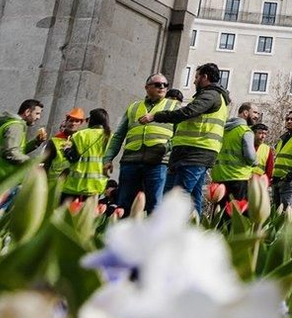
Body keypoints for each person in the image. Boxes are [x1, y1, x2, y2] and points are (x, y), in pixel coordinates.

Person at [144, 62, 230, 214]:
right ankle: (194, 227)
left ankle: (166, 230)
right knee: (193, 197)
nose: (194, 81)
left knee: (176, 196)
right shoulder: (213, 96)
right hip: (194, 152)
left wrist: (156, 116)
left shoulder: (210, 95)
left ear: (205, 77)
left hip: (194, 153)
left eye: (197, 77)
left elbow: (187, 112)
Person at [106, 72, 179, 213]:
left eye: (165, 85)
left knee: (154, 205)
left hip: (158, 163)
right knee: (124, 205)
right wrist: (108, 158)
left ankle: (152, 234)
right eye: (158, 84)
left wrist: (167, 147)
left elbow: (179, 135)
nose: (162, 87)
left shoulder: (174, 107)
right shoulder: (133, 107)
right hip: (130, 161)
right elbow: (118, 135)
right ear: (147, 87)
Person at [0, 99, 47, 185]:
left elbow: (16, 150)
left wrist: (36, 142)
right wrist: (33, 163)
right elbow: (11, 153)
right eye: (37, 113)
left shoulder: (11, 124)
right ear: (27, 112)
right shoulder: (16, 126)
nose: (38, 117)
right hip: (3, 181)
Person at [211, 102, 261, 203]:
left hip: (219, 177)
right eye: (255, 112)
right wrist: (256, 161)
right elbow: (250, 156)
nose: (257, 116)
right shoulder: (245, 131)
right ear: (246, 113)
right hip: (238, 178)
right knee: (235, 213)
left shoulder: (223, 129)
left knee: (218, 213)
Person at [62, 108, 113, 203]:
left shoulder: (80, 135)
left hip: (74, 185)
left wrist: (66, 149)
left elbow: (72, 158)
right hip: (95, 187)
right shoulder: (110, 137)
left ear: (92, 120)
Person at [47, 109, 88, 182]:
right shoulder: (55, 140)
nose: (73, 123)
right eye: (71, 120)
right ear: (66, 122)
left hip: (71, 184)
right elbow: (45, 162)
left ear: (80, 123)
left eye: (76, 121)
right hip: (53, 182)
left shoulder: (81, 141)